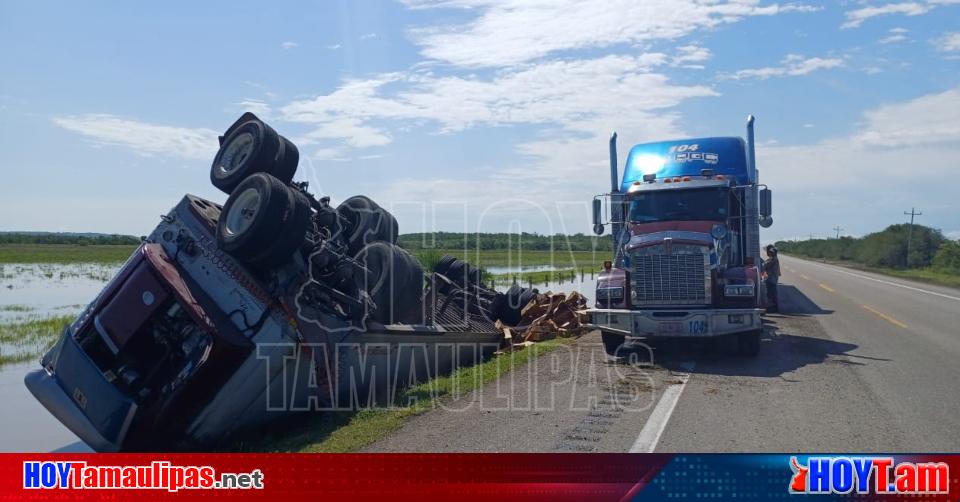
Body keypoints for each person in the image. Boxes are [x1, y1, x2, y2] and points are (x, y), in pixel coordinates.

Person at [763, 244, 781, 312]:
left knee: (771, 293)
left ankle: (773, 308)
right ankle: (773, 307)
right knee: (772, 293)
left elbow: (765, 265)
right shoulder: (773, 258)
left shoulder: (773, 259)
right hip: (772, 278)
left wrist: (764, 264)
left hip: (771, 278)